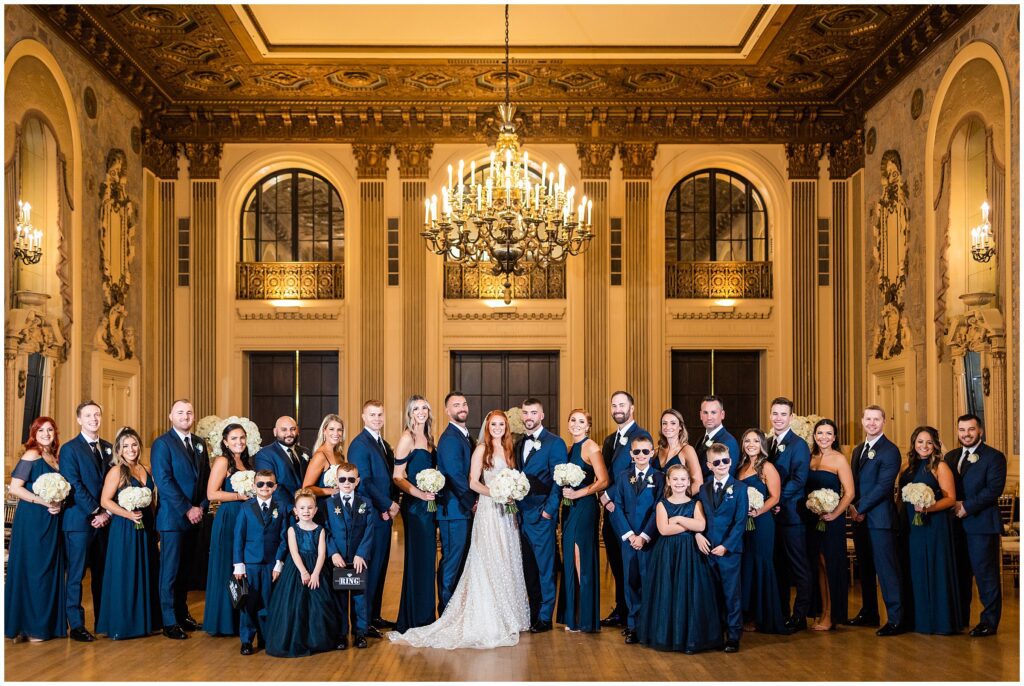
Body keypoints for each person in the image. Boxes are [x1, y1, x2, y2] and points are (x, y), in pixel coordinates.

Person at [388, 410, 530, 649]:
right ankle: (488, 616)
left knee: (508, 559)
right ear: (487, 426)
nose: (497, 428)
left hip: (506, 513)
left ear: (506, 427)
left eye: (501, 424)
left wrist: (512, 494)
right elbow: (473, 482)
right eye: (493, 424)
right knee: (488, 559)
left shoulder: (509, 451)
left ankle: (509, 615)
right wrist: (497, 493)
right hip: (489, 510)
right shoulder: (481, 449)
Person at [637, 465, 722, 653]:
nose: (679, 483)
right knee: (669, 591)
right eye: (675, 479)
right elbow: (664, 530)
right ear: (668, 481)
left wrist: (676, 520)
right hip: (667, 553)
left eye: (683, 479)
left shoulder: (695, 504)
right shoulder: (662, 504)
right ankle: (668, 636)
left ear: (688, 482)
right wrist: (688, 524)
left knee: (688, 591)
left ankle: (689, 637)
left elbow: (700, 525)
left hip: (690, 554)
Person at [151, 399, 211, 640]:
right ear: (170, 416)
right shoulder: (162, 444)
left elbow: (206, 477)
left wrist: (202, 506)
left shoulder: (199, 443)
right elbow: (164, 481)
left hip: (195, 515)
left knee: (186, 569)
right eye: (180, 412)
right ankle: (168, 620)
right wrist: (187, 509)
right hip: (173, 518)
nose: (185, 416)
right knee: (170, 571)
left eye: (189, 412)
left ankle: (182, 613)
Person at [5, 417, 67, 641]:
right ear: (34, 433)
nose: (46, 433)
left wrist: (58, 502)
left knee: (49, 570)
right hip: (32, 520)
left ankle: (46, 624)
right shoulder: (32, 454)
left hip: (53, 520)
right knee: (34, 571)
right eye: (40, 430)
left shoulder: (55, 457)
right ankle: (31, 627)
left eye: (50, 429)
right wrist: (44, 502)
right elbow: (15, 488)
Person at [95, 427, 161, 639]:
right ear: (119, 450)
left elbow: (152, 500)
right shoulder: (116, 471)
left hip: (146, 526)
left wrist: (155, 526)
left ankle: (145, 621)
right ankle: (123, 623)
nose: (131, 449)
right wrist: (127, 514)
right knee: (126, 572)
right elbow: (105, 501)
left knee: (147, 570)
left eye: (134, 445)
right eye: (126, 446)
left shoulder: (146, 469)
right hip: (125, 527)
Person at [944, 413, 1006, 637]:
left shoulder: (994, 457)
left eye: (970, 430)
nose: (966, 434)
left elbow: (993, 490)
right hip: (955, 526)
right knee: (960, 574)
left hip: (981, 525)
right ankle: (960, 618)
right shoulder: (950, 457)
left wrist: (966, 506)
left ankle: (989, 622)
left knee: (985, 576)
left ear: (979, 430)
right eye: (962, 430)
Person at [846, 405, 904, 636]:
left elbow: (883, 487)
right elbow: (854, 483)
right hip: (859, 518)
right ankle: (869, 612)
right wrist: (852, 506)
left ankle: (896, 619)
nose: (871, 423)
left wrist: (859, 507)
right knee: (866, 569)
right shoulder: (858, 449)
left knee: (886, 570)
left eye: (876, 419)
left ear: (883, 422)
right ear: (862, 421)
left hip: (880, 519)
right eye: (868, 419)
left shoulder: (890, 451)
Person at [264, 489, 343, 657]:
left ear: (315, 510)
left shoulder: (320, 530)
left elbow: (322, 553)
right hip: (297, 569)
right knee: (295, 605)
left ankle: (317, 640)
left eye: (309, 508)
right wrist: (304, 572)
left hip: (316, 569)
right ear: (295, 511)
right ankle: (296, 639)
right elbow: (294, 553)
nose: (306, 511)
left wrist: (314, 574)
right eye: (302, 508)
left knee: (319, 604)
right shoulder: (292, 530)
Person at [898, 426, 961, 634]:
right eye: (919, 442)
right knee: (914, 570)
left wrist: (928, 507)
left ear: (935, 445)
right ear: (913, 444)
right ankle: (917, 620)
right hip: (911, 526)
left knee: (934, 568)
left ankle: (939, 621)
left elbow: (950, 498)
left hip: (934, 525)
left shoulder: (940, 466)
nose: (924, 446)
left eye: (928, 442)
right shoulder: (906, 466)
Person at [59, 400, 112, 642]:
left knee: (102, 573)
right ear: (79, 419)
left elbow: (116, 483)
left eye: (97, 415)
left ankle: (103, 620)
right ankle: (77, 625)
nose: (94, 419)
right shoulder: (69, 449)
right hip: (79, 522)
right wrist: (96, 511)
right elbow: (74, 485)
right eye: (88, 415)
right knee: (77, 574)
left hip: (105, 523)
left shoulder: (110, 448)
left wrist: (107, 514)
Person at [515, 397, 568, 634]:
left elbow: (559, 479)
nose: (529, 417)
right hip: (519, 516)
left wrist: (549, 509)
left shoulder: (554, 443)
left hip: (541, 514)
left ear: (542, 415)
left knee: (546, 568)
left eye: (533, 412)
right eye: (525, 413)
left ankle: (546, 617)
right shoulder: (518, 444)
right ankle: (533, 612)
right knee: (528, 568)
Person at [599, 391, 651, 628]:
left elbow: (634, 477)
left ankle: (635, 615)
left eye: (622, 405)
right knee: (617, 564)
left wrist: (611, 499)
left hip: (630, 514)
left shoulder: (640, 437)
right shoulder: (610, 439)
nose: (617, 409)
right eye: (614, 405)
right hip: (610, 510)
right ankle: (621, 610)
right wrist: (603, 497)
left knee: (632, 568)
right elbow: (606, 475)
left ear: (632, 408)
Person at [347, 400, 398, 635]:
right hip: (371, 515)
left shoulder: (382, 444)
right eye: (372, 414)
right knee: (368, 568)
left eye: (380, 414)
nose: (377, 418)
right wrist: (387, 504)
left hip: (384, 514)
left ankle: (374, 615)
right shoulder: (360, 444)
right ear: (363, 416)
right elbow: (364, 482)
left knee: (380, 566)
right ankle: (362, 622)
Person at [607, 435, 664, 644]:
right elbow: (617, 507)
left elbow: (659, 508)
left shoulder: (659, 477)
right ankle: (633, 626)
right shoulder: (623, 477)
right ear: (631, 454)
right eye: (637, 451)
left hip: (649, 539)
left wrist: (645, 536)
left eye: (645, 451)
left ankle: (650, 625)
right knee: (630, 581)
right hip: (629, 539)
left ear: (652, 453)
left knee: (649, 581)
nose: (641, 455)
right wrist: (630, 535)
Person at [558, 409, 609, 632]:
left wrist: (579, 493)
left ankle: (584, 617)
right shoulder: (569, 450)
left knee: (580, 557)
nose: (576, 424)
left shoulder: (591, 447)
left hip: (585, 507)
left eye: (581, 421)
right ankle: (574, 615)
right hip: (569, 509)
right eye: (573, 420)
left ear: (588, 426)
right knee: (569, 557)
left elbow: (604, 480)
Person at [392, 396, 439, 632]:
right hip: (415, 507)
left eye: (424, 408)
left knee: (428, 560)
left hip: (429, 507)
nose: (420, 412)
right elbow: (397, 476)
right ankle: (415, 618)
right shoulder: (407, 437)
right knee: (418, 559)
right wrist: (420, 494)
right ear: (410, 413)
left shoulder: (429, 437)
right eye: (416, 408)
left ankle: (426, 614)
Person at [203, 423, 254, 636]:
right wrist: (239, 496)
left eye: (242, 438)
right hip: (230, 516)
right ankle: (224, 621)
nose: (239, 442)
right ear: (225, 442)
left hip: (246, 517)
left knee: (242, 565)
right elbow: (212, 493)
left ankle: (242, 618)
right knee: (227, 565)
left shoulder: (247, 462)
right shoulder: (223, 461)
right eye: (233, 438)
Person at [696, 442, 747, 653]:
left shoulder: (740, 488)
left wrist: (726, 546)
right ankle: (716, 633)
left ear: (730, 461)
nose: (722, 465)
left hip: (729, 552)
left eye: (725, 461)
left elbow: (740, 520)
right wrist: (698, 533)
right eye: (717, 462)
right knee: (712, 593)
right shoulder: (703, 488)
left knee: (731, 594)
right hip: (708, 549)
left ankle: (734, 635)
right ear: (709, 465)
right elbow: (700, 516)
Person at [735, 429, 787, 634]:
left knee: (760, 564)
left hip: (762, 522)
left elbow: (775, 497)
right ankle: (746, 614)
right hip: (743, 524)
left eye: (755, 441)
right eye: (747, 440)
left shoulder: (767, 467)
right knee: (746, 565)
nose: (750, 444)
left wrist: (758, 511)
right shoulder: (740, 467)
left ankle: (762, 616)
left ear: (762, 444)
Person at [767, 397, 812, 631]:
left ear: (791, 417)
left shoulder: (799, 445)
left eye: (783, 414)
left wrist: (777, 499)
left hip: (792, 516)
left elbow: (799, 480)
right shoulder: (767, 443)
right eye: (775, 413)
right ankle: (781, 612)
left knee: (798, 567)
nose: (778, 418)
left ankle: (800, 615)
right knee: (778, 567)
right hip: (772, 518)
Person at [805, 419, 854, 631]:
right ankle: (821, 611)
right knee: (817, 565)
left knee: (829, 565)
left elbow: (850, 492)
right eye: (820, 433)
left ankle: (831, 614)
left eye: (828, 433)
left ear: (834, 437)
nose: (823, 437)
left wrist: (834, 514)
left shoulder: (839, 459)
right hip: (812, 520)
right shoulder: (810, 457)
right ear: (815, 436)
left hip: (831, 522)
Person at [232, 470, 286, 655]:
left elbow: (283, 537)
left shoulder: (281, 507)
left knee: (268, 601)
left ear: (275, 487)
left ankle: (265, 637)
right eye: (261, 484)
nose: (265, 487)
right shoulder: (246, 507)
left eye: (269, 484)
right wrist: (239, 564)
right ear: (254, 486)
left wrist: (279, 562)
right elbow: (239, 537)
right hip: (251, 563)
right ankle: (247, 640)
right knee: (249, 603)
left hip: (271, 564)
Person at [325, 463, 377, 649]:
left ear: (357, 481)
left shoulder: (365, 503)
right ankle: (341, 634)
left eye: (351, 479)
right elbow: (326, 531)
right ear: (336, 481)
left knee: (359, 597)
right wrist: (333, 553)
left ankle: (360, 633)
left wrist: (361, 554)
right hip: (339, 559)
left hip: (358, 559)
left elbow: (370, 529)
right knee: (339, 598)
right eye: (342, 479)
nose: (346, 483)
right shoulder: (329, 504)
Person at [434, 392, 476, 614]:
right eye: (456, 405)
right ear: (447, 411)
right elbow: (454, 475)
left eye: (464, 403)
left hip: (463, 510)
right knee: (451, 562)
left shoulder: (465, 435)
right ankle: (446, 612)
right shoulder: (450, 438)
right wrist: (474, 502)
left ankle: (457, 611)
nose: (462, 407)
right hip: (454, 511)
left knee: (461, 563)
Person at [253, 416, 311, 512]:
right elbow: (270, 485)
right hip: (283, 510)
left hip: (307, 510)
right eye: (284, 430)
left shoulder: (306, 452)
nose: (289, 433)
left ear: (298, 430)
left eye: (292, 429)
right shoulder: (265, 454)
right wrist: (292, 508)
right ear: (275, 432)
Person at [302, 414, 347, 520]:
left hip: (339, 507)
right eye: (331, 429)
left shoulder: (339, 455)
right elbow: (306, 488)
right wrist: (332, 491)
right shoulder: (320, 456)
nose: (336, 433)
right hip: (324, 510)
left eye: (339, 430)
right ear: (324, 431)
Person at [657, 408, 702, 495]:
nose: (668, 427)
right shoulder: (656, 451)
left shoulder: (687, 450)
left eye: (673, 423)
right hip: (656, 504)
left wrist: (679, 500)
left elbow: (698, 483)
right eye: (664, 423)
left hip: (678, 504)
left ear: (680, 427)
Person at [694, 395, 740, 479]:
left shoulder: (729, 441)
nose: (709, 417)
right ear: (700, 415)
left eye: (713, 412)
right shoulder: (701, 439)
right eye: (705, 413)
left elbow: (726, 477)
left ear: (722, 414)